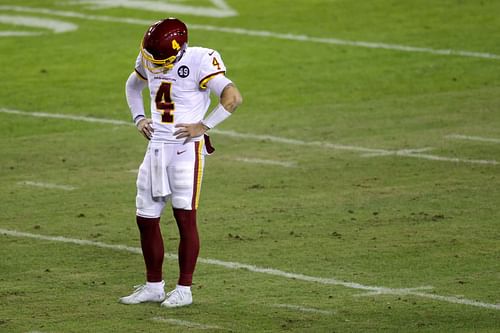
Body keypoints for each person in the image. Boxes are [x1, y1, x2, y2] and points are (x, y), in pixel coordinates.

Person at [119, 17, 242, 308]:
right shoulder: (151, 56)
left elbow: (232, 97)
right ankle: (153, 286)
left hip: (187, 149)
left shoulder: (201, 59)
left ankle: (184, 288)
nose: (155, 64)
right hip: (157, 147)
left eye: (161, 59)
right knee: (145, 218)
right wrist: (139, 118)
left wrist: (204, 125)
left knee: (184, 218)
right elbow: (132, 86)